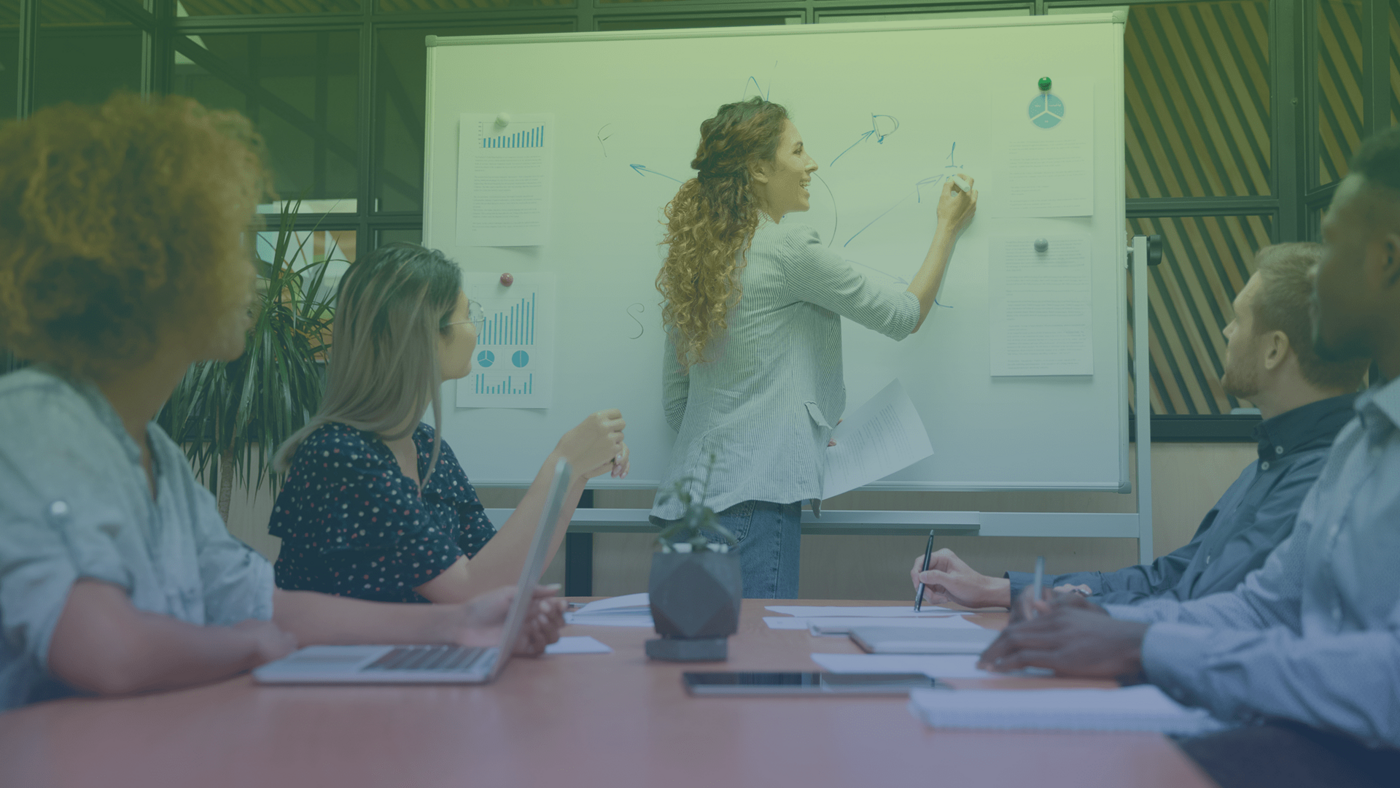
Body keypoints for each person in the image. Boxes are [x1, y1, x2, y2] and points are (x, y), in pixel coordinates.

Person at [0, 95, 564, 712]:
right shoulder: (37, 417)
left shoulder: (152, 450)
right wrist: (248, 646)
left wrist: (458, 624)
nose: (249, 278)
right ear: (152, 272)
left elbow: (262, 604)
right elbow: (110, 650)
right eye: (229, 251)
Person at [978, 127, 1400, 788]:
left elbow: (1387, 683)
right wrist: (1104, 622)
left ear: (1388, 260)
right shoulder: (1363, 438)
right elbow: (1262, 605)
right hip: (1300, 741)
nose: (1313, 275)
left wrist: (1144, 643)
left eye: (1334, 245)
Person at [908, 242, 1369, 609]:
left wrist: (1055, 612)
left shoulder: (1323, 481)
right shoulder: (1270, 467)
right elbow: (1170, 579)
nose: (1228, 332)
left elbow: (1193, 610)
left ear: (1274, 350)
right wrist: (998, 590)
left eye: (1238, 319)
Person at [650, 97, 977, 598]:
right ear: (759, 168)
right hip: (754, 511)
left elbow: (679, 405)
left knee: (703, 668)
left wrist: (791, 424)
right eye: (798, 151)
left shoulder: (696, 263)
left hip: (684, 510)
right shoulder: (787, 252)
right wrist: (948, 226)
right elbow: (902, 315)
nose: (812, 164)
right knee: (764, 670)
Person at [267, 243, 630, 604]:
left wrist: (577, 474)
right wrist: (562, 463)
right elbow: (468, 590)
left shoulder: (426, 445)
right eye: (469, 314)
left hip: (417, 656)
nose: (476, 330)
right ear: (425, 335)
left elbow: (502, 573)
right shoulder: (339, 454)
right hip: (338, 661)